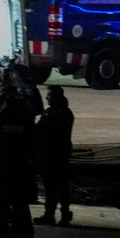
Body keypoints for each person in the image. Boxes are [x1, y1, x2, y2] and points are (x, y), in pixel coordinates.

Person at [0, 66, 37, 238]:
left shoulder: (2, 119)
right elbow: (32, 142)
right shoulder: (25, 122)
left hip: (4, 167)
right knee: (22, 206)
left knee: (2, 207)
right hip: (21, 167)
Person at [36, 85, 75, 226]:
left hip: (57, 155)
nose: (47, 98)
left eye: (50, 95)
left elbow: (49, 132)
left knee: (61, 187)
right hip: (48, 155)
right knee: (51, 188)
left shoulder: (63, 114)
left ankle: (64, 216)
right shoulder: (50, 112)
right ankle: (50, 214)